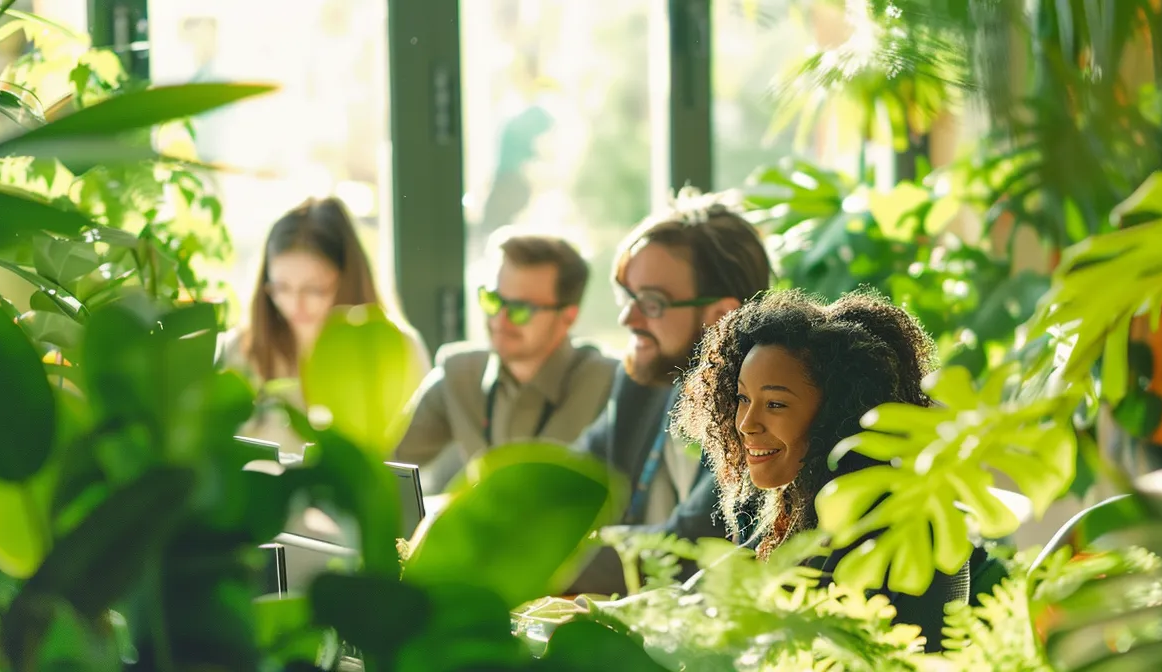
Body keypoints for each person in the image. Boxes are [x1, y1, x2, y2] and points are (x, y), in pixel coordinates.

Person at [673, 290, 968, 650]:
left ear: (839, 414)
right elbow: (699, 596)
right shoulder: (800, 505)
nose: (747, 424)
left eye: (776, 404)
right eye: (742, 398)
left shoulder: (881, 523)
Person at [565, 189, 774, 594]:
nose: (628, 317)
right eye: (627, 296)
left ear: (722, 316)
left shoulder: (767, 412)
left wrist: (520, 560)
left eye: (653, 302)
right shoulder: (646, 380)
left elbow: (687, 548)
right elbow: (565, 483)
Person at [392, 233, 617, 492]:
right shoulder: (458, 374)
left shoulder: (609, 383)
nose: (500, 319)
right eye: (493, 300)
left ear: (568, 317)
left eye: (521, 308)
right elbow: (389, 456)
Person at [218, 197, 431, 453]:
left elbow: (417, 460)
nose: (295, 304)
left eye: (314, 289)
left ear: (347, 280)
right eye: (281, 287)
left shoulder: (400, 348)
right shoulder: (240, 351)